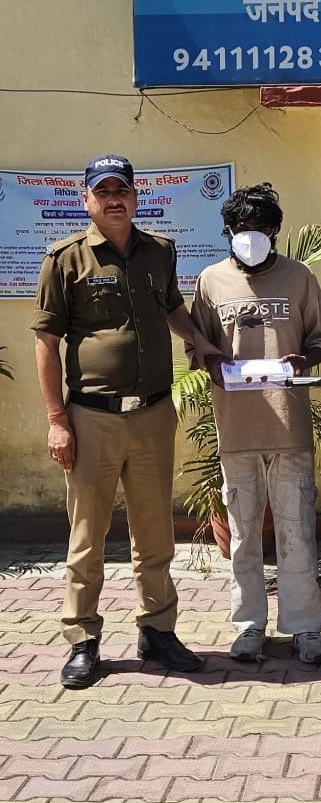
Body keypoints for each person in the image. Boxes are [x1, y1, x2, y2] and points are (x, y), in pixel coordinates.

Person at [32, 154, 225, 689]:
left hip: (154, 414)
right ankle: (82, 639)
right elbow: (46, 343)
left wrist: (200, 342)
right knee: (87, 536)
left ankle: (157, 631)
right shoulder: (64, 259)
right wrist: (56, 418)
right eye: (103, 191)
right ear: (87, 200)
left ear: (136, 197)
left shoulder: (160, 251)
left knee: (155, 532)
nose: (114, 199)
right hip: (91, 418)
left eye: (122, 190)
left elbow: (173, 308)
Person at [189, 183, 321, 665]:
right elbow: (196, 345)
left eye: (259, 227)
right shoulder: (210, 281)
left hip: (289, 428)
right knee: (242, 535)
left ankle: (305, 628)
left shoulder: (299, 278)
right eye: (241, 227)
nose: (249, 235)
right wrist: (211, 361)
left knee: (297, 533)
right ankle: (248, 625)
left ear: (274, 230)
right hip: (236, 429)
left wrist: (306, 358)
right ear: (227, 231)